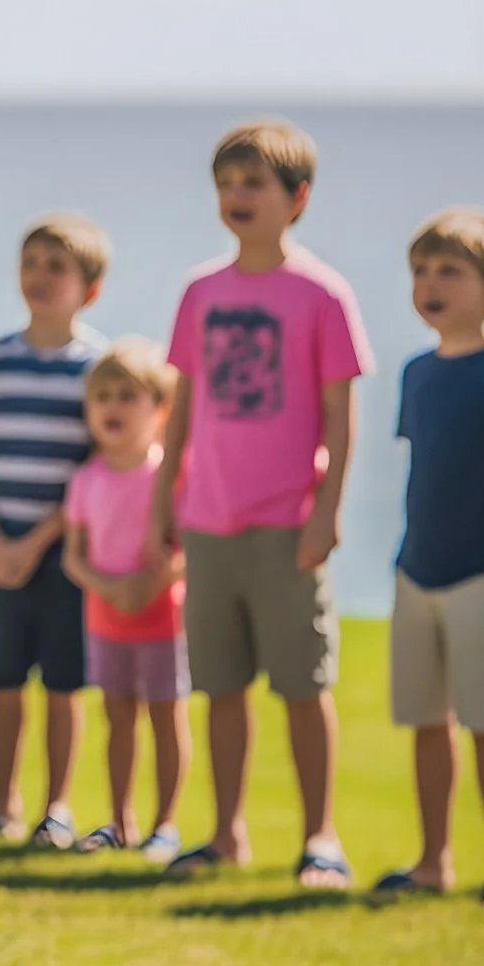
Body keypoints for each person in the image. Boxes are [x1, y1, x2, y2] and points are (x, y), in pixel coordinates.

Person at [151, 120, 372, 886]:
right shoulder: (199, 291)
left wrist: (326, 512)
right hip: (206, 523)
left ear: (297, 198)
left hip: (287, 526)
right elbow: (180, 409)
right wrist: (164, 498)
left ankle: (321, 839)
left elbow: (341, 421)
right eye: (227, 184)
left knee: (304, 688)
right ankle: (223, 834)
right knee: (219, 688)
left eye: (254, 184)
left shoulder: (323, 294)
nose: (237, 197)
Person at [371, 208, 484, 909]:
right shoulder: (416, 373)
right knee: (427, 724)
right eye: (421, 271)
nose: (430, 283)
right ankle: (432, 862)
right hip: (417, 573)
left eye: (450, 272)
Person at [0, 215, 110, 848]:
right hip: (1, 544)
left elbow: (94, 469)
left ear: (88, 288)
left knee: (64, 685)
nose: (40, 278)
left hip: (63, 551)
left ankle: (57, 809)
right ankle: (2, 804)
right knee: (4, 681)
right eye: (31, 264)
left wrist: (36, 541)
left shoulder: (97, 367)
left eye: (57, 268)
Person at [60, 338, 191, 861]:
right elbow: (74, 555)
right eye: (103, 397)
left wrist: (151, 585)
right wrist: (107, 586)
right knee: (118, 717)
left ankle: (166, 824)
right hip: (105, 618)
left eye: (127, 396)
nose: (112, 407)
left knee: (165, 716)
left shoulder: (170, 476)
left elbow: (187, 549)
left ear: (159, 410)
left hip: (163, 618)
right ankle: (120, 820)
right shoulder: (86, 478)